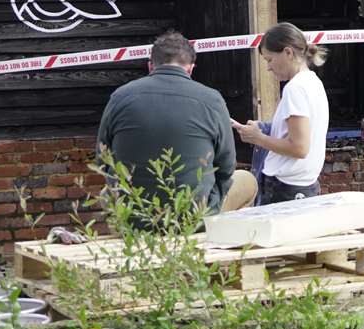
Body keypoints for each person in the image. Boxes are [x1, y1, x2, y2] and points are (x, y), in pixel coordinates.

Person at [96, 30, 257, 212]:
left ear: (150, 66)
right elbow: (227, 164)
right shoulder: (212, 99)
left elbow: (102, 159)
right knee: (247, 180)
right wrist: (212, 201)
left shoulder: (120, 96)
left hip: (134, 216)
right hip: (194, 216)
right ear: (190, 69)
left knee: (105, 193)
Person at [232, 22, 330, 204]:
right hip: (302, 186)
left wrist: (257, 138)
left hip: (285, 188)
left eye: (269, 59)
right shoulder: (313, 82)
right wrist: (263, 128)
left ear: (288, 53)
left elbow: (299, 148)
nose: (268, 67)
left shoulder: (295, 89)